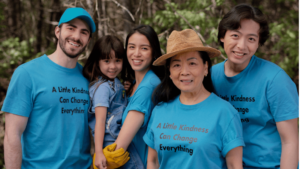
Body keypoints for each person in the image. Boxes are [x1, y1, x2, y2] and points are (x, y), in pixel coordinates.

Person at [2, 7, 95, 168]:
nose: (76, 36)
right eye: (71, 28)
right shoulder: (27, 74)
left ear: (88, 39)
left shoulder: (89, 79)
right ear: (57, 31)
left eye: (84, 32)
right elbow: (12, 135)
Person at [211, 4, 299, 169]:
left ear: (258, 43)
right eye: (235, 35)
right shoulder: (209, 77)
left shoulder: (275, 80)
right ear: (222, 36)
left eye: (251, 39)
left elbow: (291, 141)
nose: (242, 46)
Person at [144, 29, 245, 169]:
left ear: (205, 68)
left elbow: (234, 166)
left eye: (192, 63)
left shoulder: (225, 113)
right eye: (177, 65)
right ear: (170, 72)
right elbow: (153, 162)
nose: (184, 72)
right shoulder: (159, 111)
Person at [103, 25, 164, 168]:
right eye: (131, 47)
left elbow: (119, 148)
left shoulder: (148, 86)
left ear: (154, 52)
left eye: (144, 48)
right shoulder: (135, 84)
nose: (136, 53)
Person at [82, 35, 144, 169]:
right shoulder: (102, 88)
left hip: (120, 141)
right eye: (107, 61)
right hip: (112, 146)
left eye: (117, 60)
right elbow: (100, 121)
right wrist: (98, 153)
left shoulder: (114, 82)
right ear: (97, 61)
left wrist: (124, 89)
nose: (113, 66)